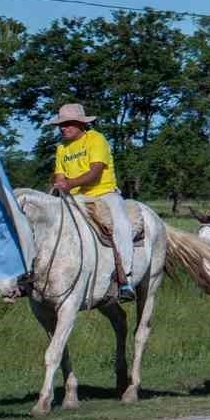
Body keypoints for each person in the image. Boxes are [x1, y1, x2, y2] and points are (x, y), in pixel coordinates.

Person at [48, 103, 134, 301]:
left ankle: (125, 279)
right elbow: (59, 175)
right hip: (75, 197)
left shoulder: (96, 139)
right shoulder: (61, 147)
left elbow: (95, 172)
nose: (63, 128)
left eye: (68, 124)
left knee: (121, 225)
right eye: (61, 125)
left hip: (103, 193)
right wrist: (60, 185)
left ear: (81, 124)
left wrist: (68, 184)